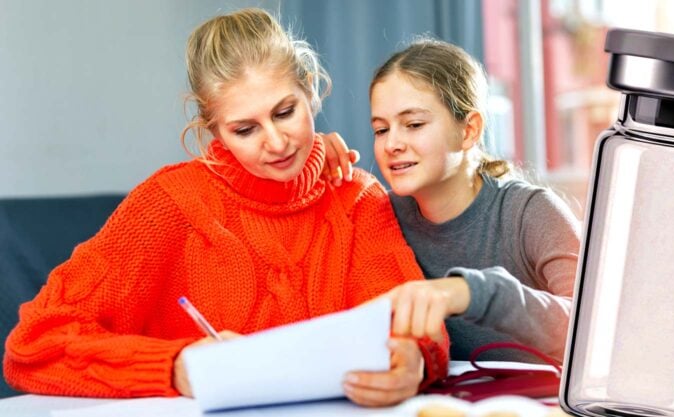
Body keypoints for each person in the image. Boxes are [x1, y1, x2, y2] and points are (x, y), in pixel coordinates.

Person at [3, 9, 448, 407]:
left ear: (310, 90)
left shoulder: (357, 198)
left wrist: (415, 360)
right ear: (211, 127)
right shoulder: (166, 205)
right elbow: (34, 346)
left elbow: (414, 323)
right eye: (244, 128)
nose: (275, 143)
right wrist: (173, 366)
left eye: (285, 112)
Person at [326, 38, 579, 364]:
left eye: (413, 124)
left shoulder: (529, 213)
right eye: (381, 129)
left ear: (469, 130)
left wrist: (474, 293)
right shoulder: (380, 218)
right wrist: (309, 157)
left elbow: (595, 330)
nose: (392, 144)